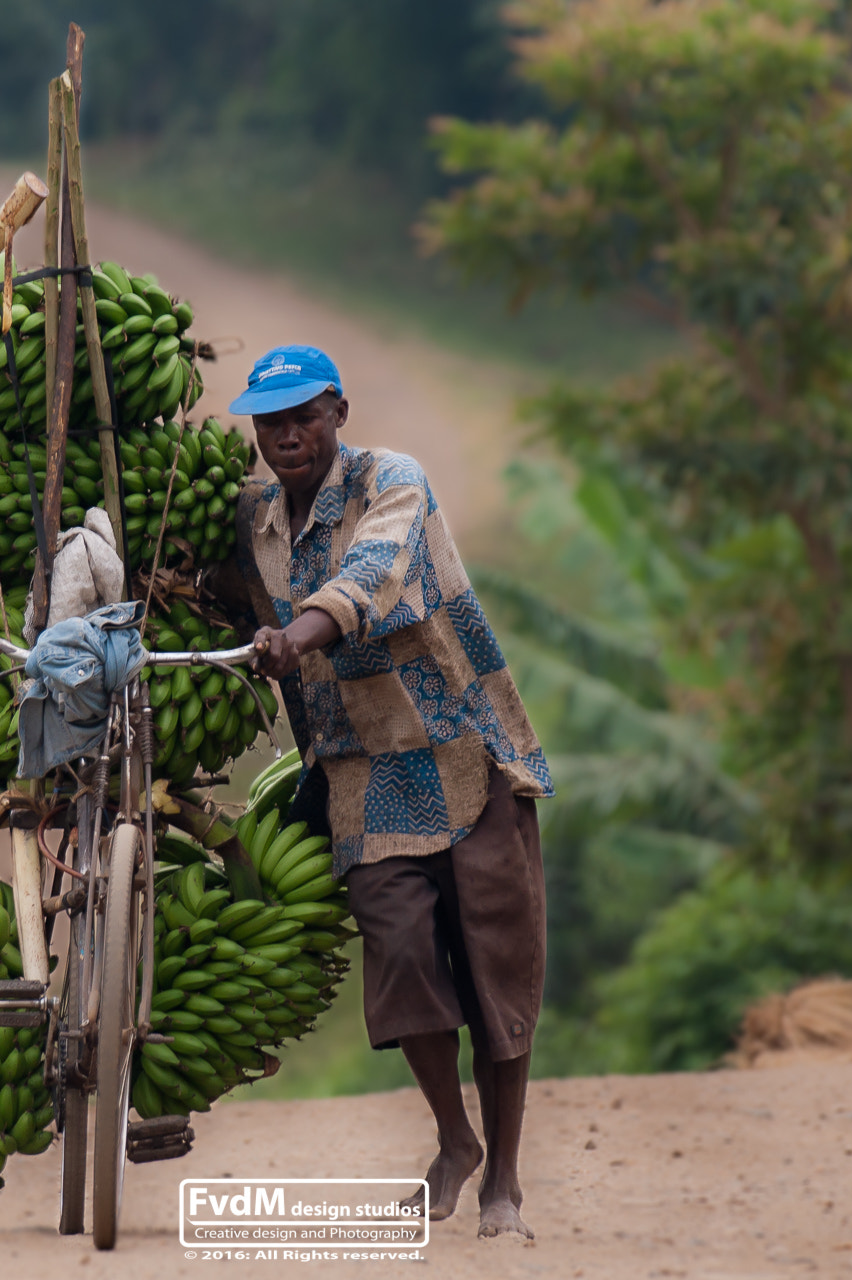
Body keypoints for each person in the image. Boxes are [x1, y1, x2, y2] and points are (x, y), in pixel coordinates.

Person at [229, 345, 552, 1240]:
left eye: (302, 417)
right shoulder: (254, 516)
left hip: (463, 748)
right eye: (269, 423)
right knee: (402, 953)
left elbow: (368, 580)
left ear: (337, 412)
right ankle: (456, 1139)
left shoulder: (390, 483)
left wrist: (293, 637)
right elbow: (215, 591)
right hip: (362, 771)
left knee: (494, 967)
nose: (286, 437)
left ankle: (506, 1185)